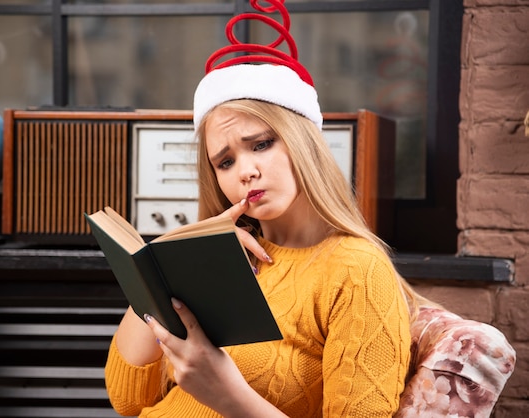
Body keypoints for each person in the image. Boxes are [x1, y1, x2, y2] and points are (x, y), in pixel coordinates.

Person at [104, 1, 430, 416]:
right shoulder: (224, 255)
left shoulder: (355, 271)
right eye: (225, 161)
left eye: (261, 144)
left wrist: (227, 394)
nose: (246, 171)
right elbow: (128, 398)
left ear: (303, 143)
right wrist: (169, 262)